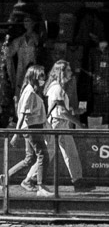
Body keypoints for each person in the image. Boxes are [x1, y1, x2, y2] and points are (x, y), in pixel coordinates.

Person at [0, 64, 50, 195]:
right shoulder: (30, 92)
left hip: (32, 127)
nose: (43, 78)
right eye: (41, 76)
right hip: (32, 128)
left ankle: (5, 177)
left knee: (30, 158)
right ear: (34, 77)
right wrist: (16, 134)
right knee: (43, 155)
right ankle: (41, 187)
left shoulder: (30, 90)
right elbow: (23, 114)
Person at [45, 59, 84, 190]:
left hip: (60, 123)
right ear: (61, 72)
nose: (71, 73)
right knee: (49, 154)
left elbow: (62, 109)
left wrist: (75, 111)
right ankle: (31, 179)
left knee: (68, 153)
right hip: (58, 123)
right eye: (68, 70)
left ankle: (78, 180)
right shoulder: (56, 88)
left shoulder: (58, 88)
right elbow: (61, 112)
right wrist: (78, 123)